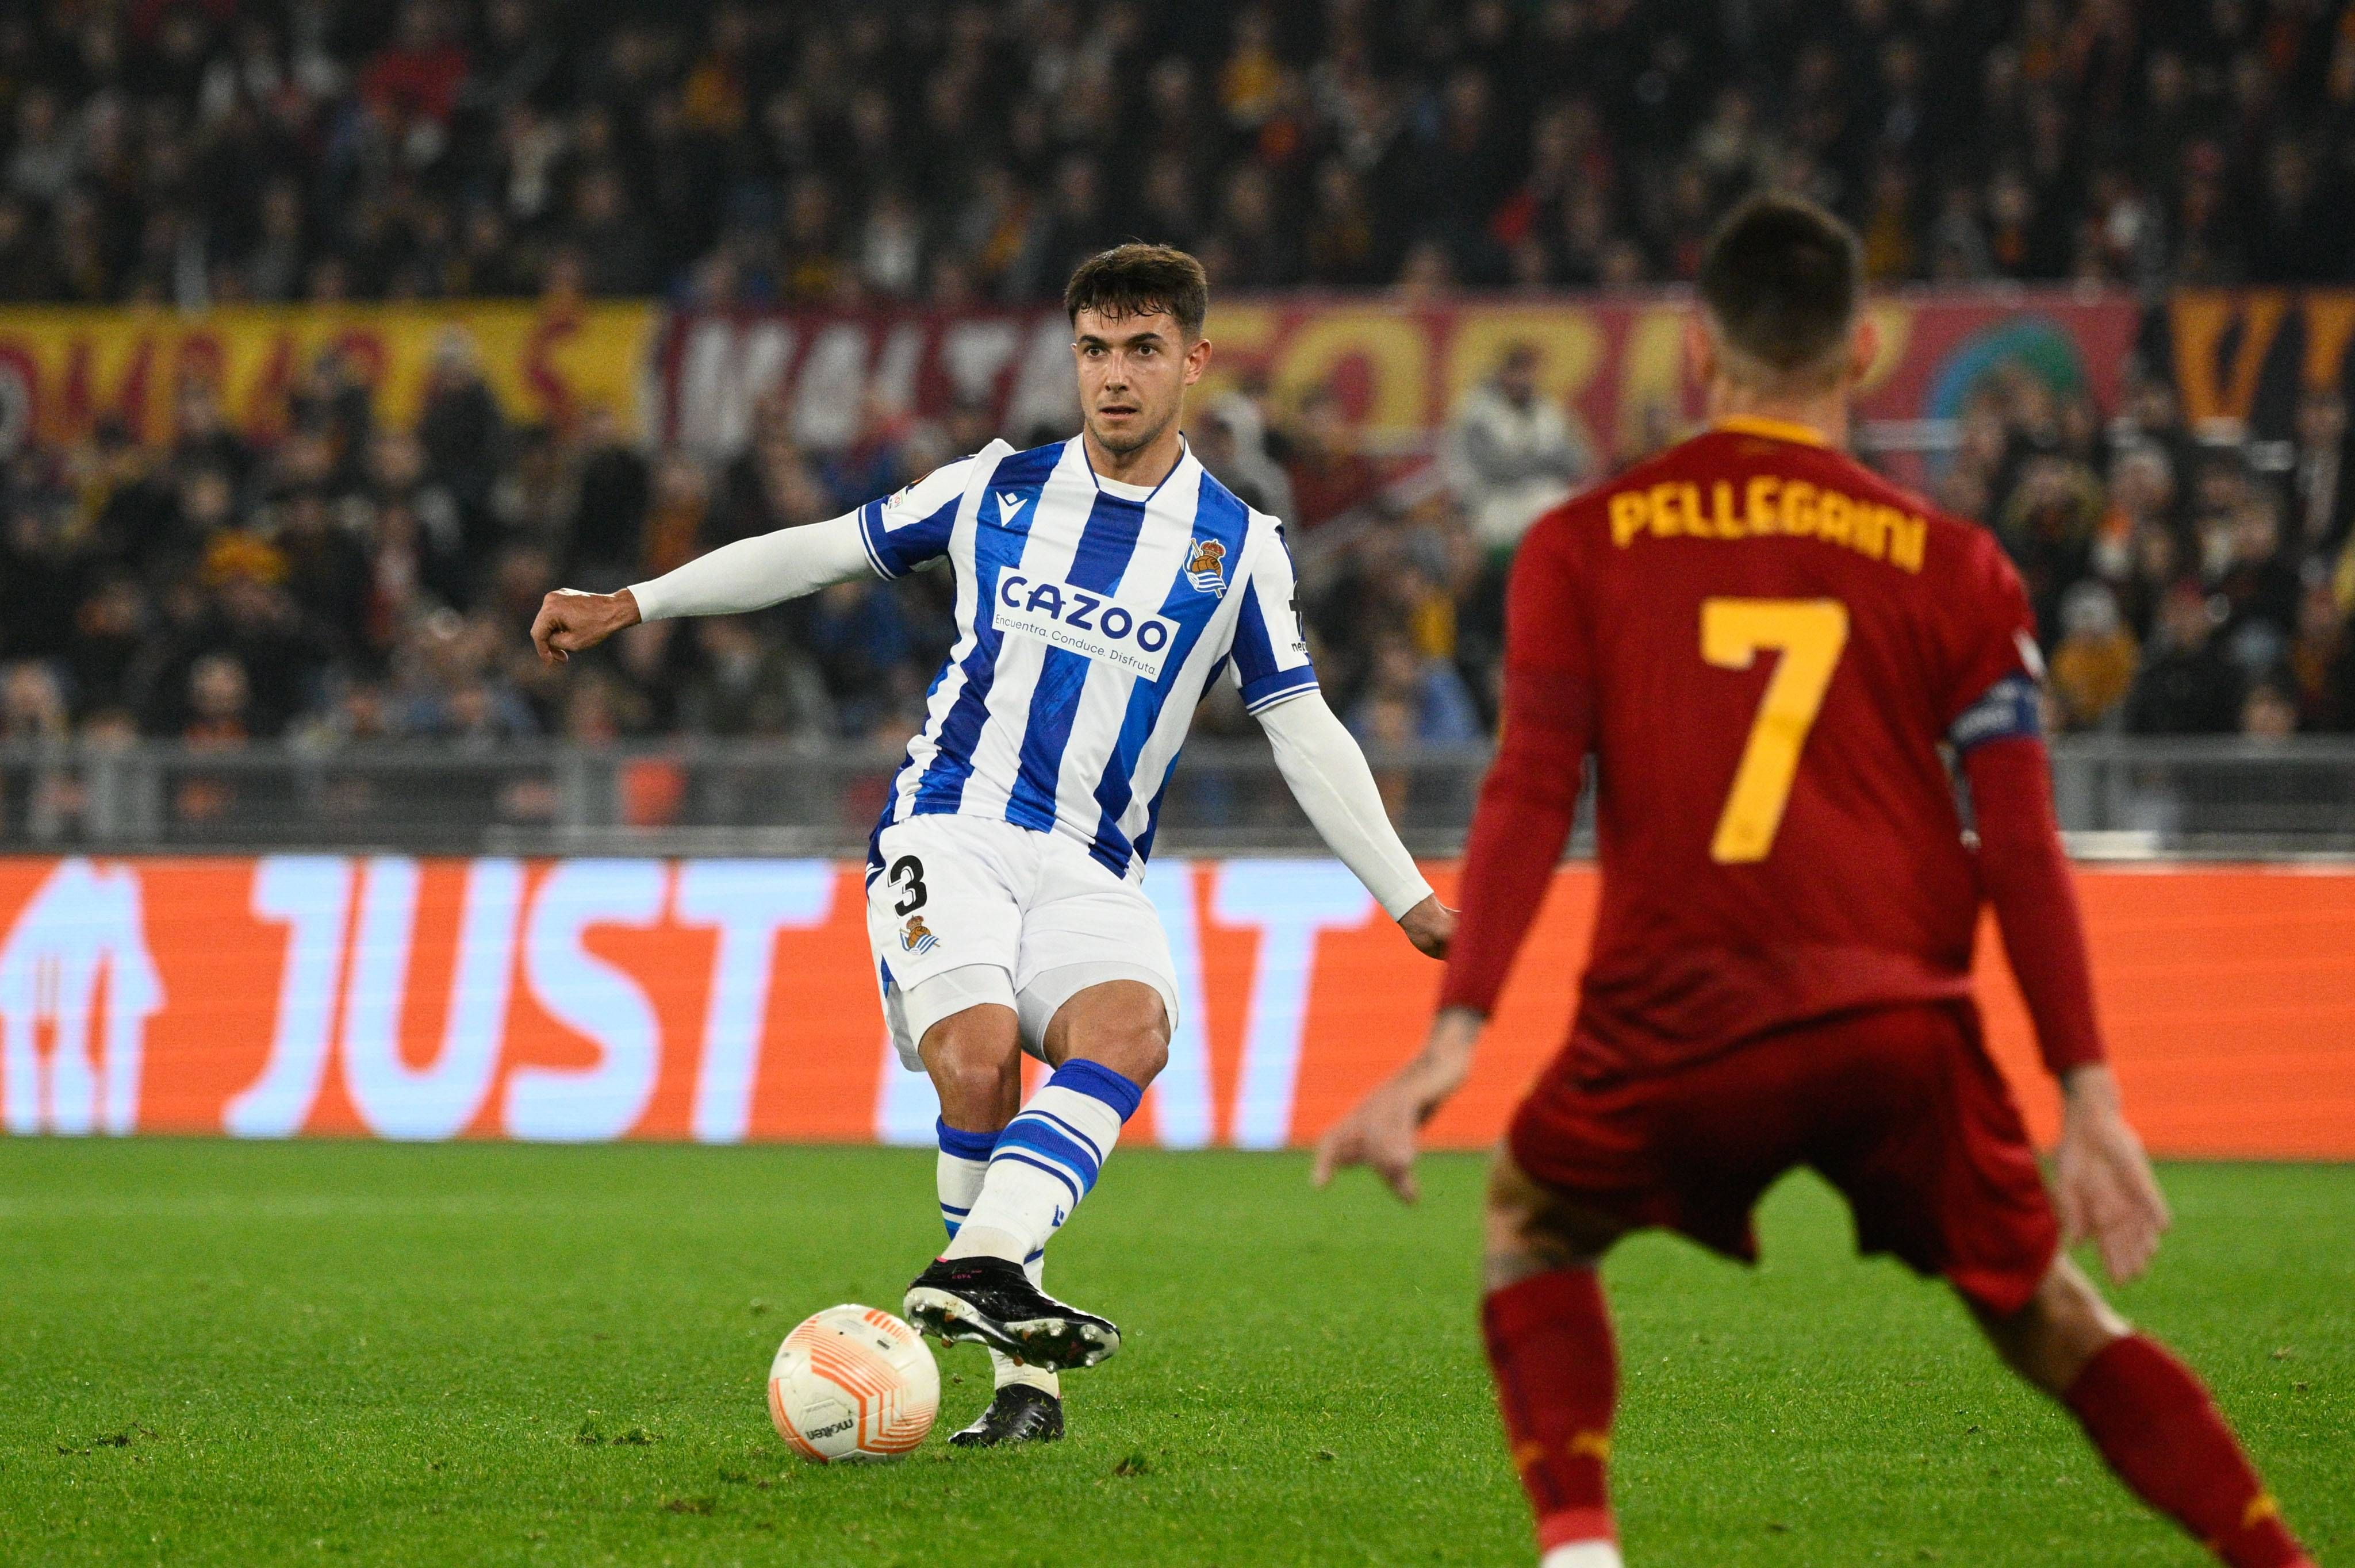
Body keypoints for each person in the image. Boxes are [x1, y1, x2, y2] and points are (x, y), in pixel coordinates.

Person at [1314, 198, 2315, 1568]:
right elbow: (2018, 844)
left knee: (1530, 1223)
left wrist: (1452, 1038)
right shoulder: (1954, 563)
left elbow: (1530, 793)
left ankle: (1580, 1547)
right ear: (1858, 354)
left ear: (1695, 351)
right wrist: (2088, 1094)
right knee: (2053, 1317)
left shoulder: (1581, 543)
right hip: (1888, 1026)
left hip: (1671, 1018)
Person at [531, 244, 1455, 1447]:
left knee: (1131, 1030)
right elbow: (817, 546)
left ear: (1192, 362)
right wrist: (636, 600)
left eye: (1140, 350)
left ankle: (999, 1333)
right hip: (951, 822)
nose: (1114, 376)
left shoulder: (1237, 547)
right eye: (1092, 350)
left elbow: (1302, 727)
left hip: (1093, 861)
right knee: (977, 1061)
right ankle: (1007, 1329)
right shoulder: (995, 489)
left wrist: (1407, 894)